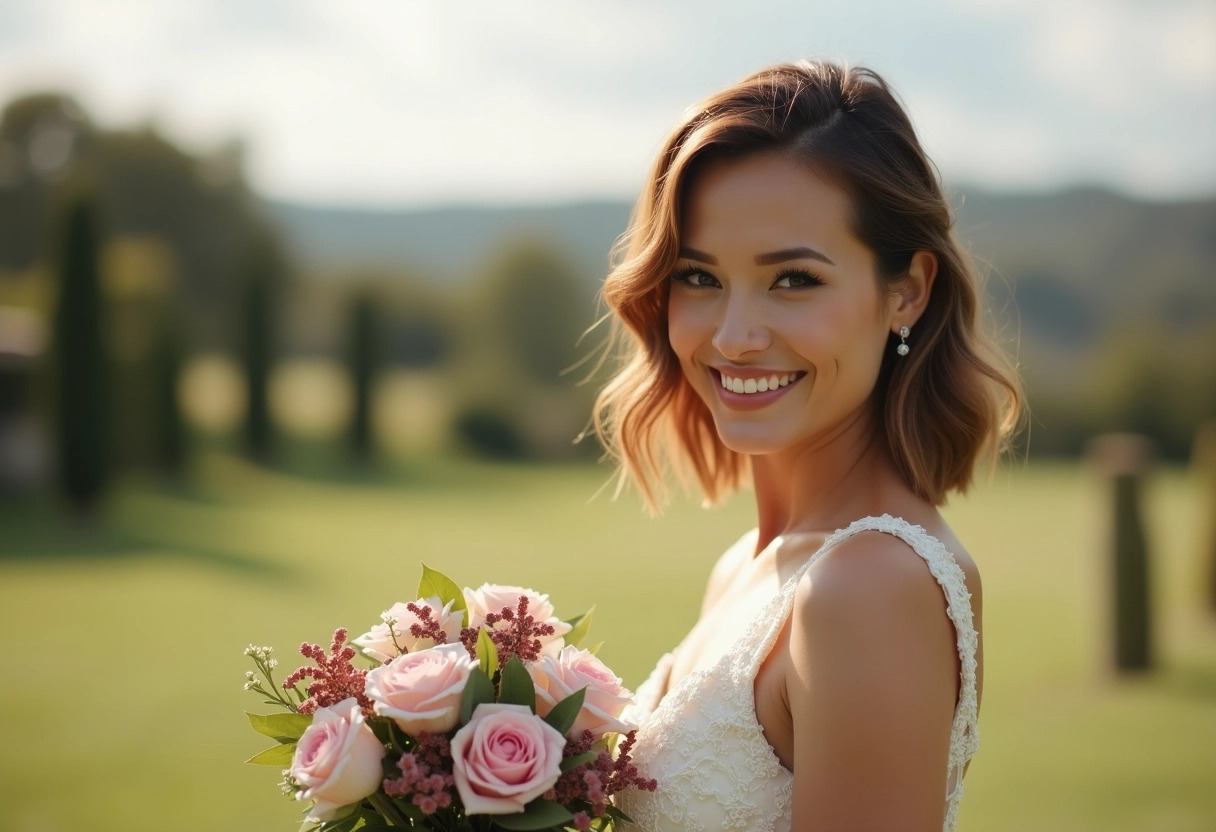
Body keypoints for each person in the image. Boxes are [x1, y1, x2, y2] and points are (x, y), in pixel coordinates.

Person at [594, 60, 1022, 831]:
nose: (734, 336)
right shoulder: (748, 567)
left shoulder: (868, 589)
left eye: (792, 280)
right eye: (698, 277)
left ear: (907, 292)